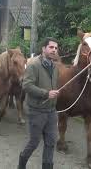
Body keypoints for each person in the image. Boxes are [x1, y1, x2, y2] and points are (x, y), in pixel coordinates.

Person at [17, 37, 60, 169]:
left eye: (56, 48)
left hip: (51, 111)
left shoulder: (55, 67)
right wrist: (46, 93)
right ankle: (22, 163)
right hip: (37, 111)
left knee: (51, 142)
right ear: (43, 49)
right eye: (51, 47)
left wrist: (54, 95)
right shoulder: (34, 64)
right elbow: (27, 85)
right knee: (34, 142)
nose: (54, 50)